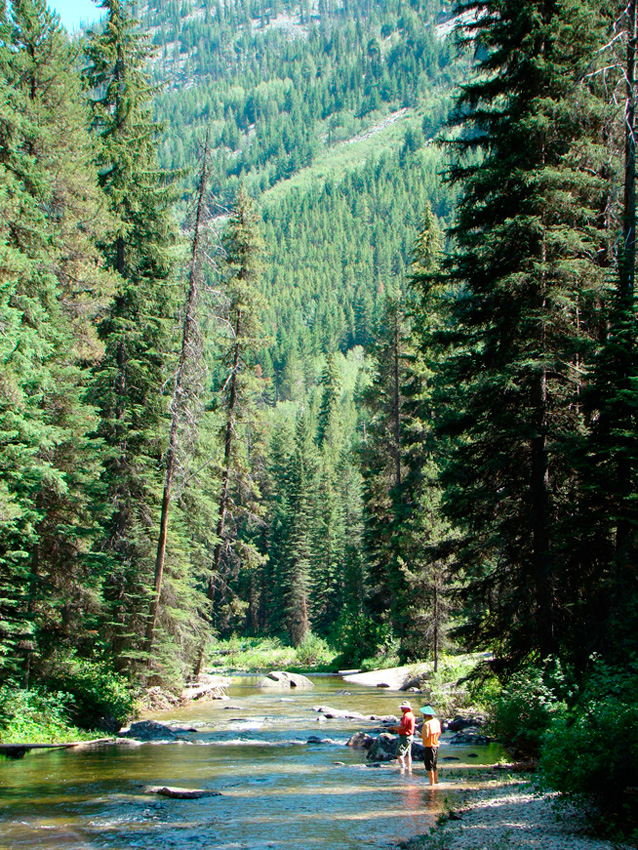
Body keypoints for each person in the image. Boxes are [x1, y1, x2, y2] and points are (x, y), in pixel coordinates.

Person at [419, 705, 441, 786]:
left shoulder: (426, 724)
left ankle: (431, 784)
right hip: (436, 746)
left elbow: (425, 736)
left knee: (429, 766)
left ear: (425, 714)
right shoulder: (437, 722)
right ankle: (436, 781)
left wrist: (420, 736)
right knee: (434, 765)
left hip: (429, 746)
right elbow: (439, 733)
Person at [392, 700, 415, 773]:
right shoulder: (411, 715)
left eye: (402, 707)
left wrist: (394, 728)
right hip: (410, 736)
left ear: (406, 708)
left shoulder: (406, 715)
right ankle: (409, 768)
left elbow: (403, 726)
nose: (401, 708)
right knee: (408, 754)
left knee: (399, 753)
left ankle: (402, 768)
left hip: (405, 737)